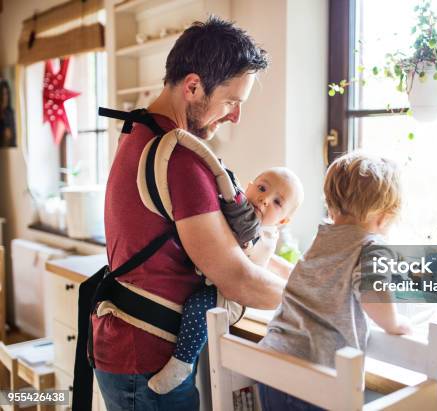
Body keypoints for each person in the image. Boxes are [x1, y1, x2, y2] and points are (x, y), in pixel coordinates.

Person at [95, 17, 286, 411]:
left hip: (128, 349)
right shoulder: (180, 160)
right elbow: (236, 278)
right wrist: (317, 300)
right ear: (193, 86)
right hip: (147, 361)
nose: (235, 116)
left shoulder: (139, 128)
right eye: (232, 101)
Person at [257, 152, 413, 411]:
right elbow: (374, 295)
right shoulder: (372, 246)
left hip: (271, 362)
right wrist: (395, 323)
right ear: (384, 217)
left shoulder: (323, 238)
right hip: (315, 375)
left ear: (330, 206)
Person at [147, 167, 304, 394]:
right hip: (217, 282)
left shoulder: (262, 233)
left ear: (283, 220)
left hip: (231, 299)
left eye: (277, 202)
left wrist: (292, 277)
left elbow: (257, 258)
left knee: (198, 306)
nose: (265, 199)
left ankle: (182, 362)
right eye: (262, 188)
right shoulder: (242, 217)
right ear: (248, 186)